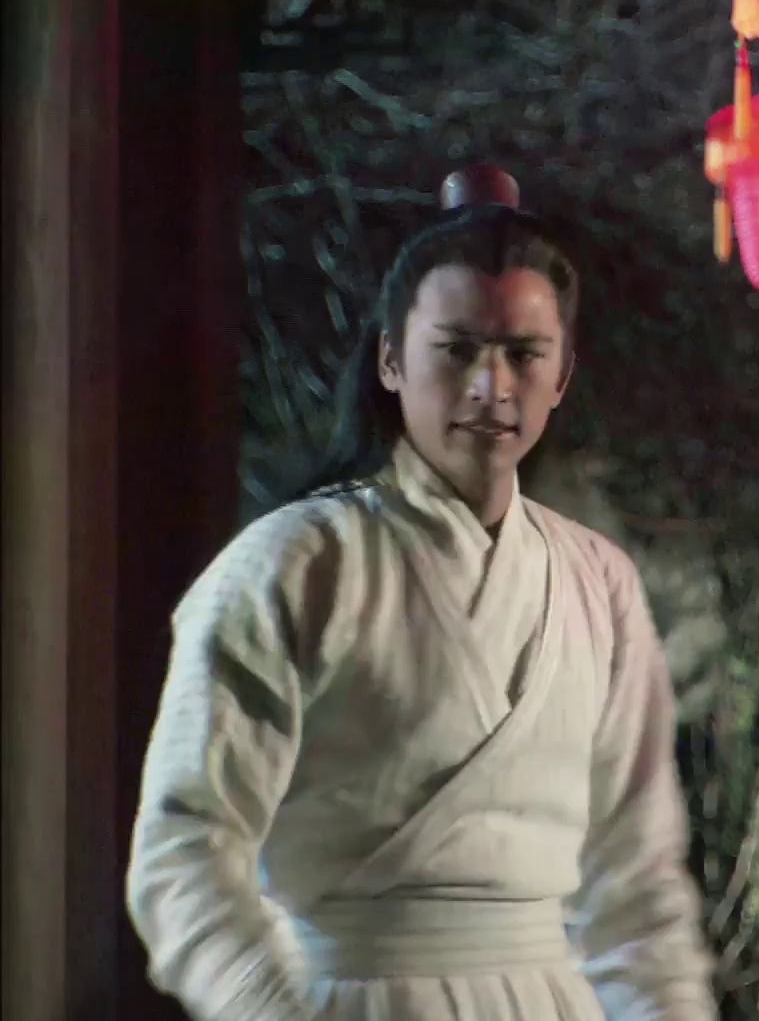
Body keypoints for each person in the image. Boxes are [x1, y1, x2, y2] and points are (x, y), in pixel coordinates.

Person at [126, 166, 719, 1020]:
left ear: (562, 375)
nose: (492, 386)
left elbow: (636, 889)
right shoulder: (294, 565)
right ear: (392, 360)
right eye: (458, 350)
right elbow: (182, 853)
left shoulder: (599, 582)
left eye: (524, 354)